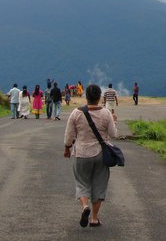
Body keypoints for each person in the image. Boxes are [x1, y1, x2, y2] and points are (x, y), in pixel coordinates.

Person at [63, 84, 118, 228]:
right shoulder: (106, 113)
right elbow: (113, 134)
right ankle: (94, 218)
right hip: (101, 154)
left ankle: (84, 207)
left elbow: (69, 135)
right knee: (99, 185)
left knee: (82, 182)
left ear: (86, 96)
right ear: (99, 97)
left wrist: (67, 149)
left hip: (81, 153)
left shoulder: (76, 113)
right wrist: (114, 120)